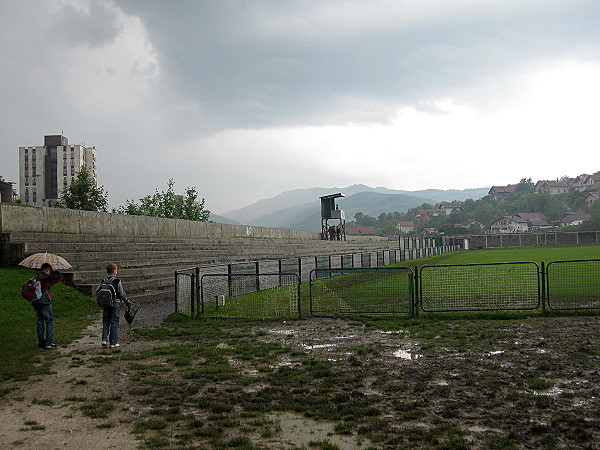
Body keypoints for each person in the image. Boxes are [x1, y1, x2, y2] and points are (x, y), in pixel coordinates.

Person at [33, 263, 64, 349]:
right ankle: (49, 342)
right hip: (44, 301)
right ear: (47, 271)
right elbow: (60, 277)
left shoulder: (36, 277)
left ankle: (41, 343)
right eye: (49, 271)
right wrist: (55, 271)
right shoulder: (47, 279)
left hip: (35, 301)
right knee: (49, 321)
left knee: (40, 323)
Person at [97, 263, 129, 348]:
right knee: (114, 322)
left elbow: (97, 290)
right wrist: (126, 301)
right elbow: (122, 294)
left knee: (106, 321)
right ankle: (113, 342)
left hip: (106, 304)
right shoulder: (117, 281)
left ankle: (104, 339)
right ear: (114, 271)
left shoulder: (103, 281)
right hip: (115, 303)